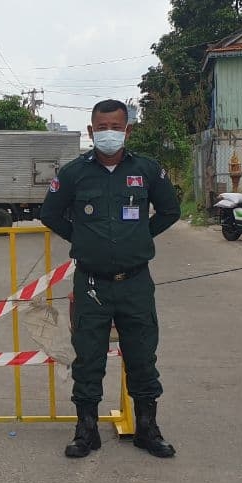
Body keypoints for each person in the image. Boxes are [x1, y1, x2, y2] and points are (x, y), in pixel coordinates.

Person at [39, 98, 181, 460]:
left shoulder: (147, 170)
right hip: (92, 284)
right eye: (102, 128)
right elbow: (50, 214)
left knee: (142, 355)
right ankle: (86, 431)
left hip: (135, 282)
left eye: (116, 127)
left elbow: (170, 210)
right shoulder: (74, 173)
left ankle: (147, 429)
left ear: (127, 130)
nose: (109, 134)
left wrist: (141, 236)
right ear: (91, 131)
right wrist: (83, 239)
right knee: (88, 358)